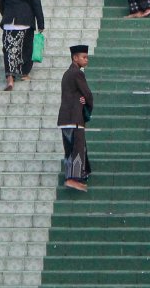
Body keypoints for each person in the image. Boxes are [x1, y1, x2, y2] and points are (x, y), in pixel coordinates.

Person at [58, 44, 94, 192]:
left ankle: (73, 175)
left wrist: (81, 99)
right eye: (84, 57)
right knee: (77, 148)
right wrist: (88, 105)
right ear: (75, 58)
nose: (86, 60)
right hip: (74, 118)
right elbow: (88, 94)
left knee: (69, 149)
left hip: (64, 119)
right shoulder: (78, 74)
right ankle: (73, 179)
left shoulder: (67, 73)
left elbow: (74, 94)